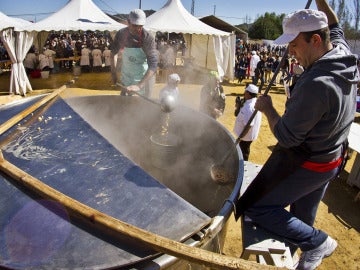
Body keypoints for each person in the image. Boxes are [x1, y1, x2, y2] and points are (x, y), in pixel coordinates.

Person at [235, 1, 358, 270]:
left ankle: (319, 243)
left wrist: (268, 109)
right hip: (332, 157)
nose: (290, 52)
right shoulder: (341, 52)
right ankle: (307, 254)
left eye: (294, 45)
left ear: (315, 39)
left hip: (310, 163)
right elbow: (334, 22)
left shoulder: (317, 85)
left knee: (257, 208)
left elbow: (287, 137)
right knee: (302, 218)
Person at [111, 9, 158, 97]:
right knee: (125, 103)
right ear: (128, 22)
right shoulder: (121, 34)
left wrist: (139, 85)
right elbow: (113, 53)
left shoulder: (147, 37)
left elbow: (153, 65)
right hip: (127, 76)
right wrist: (113, 73)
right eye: (135, 25)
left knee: (144, 105)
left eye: (141, 26)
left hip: (144, 77)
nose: (138, 29)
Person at [233, 84, 262, 161]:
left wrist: (240, 137)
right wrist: (238, 105)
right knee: (243, 149)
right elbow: (237, 114)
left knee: (244, 152)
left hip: (246, 136)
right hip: (246, 135)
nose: (244, 93)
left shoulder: (249, 107)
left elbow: (249, 125)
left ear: (248, 93)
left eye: (245, 91)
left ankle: (244, 164)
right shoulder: (252, 101)